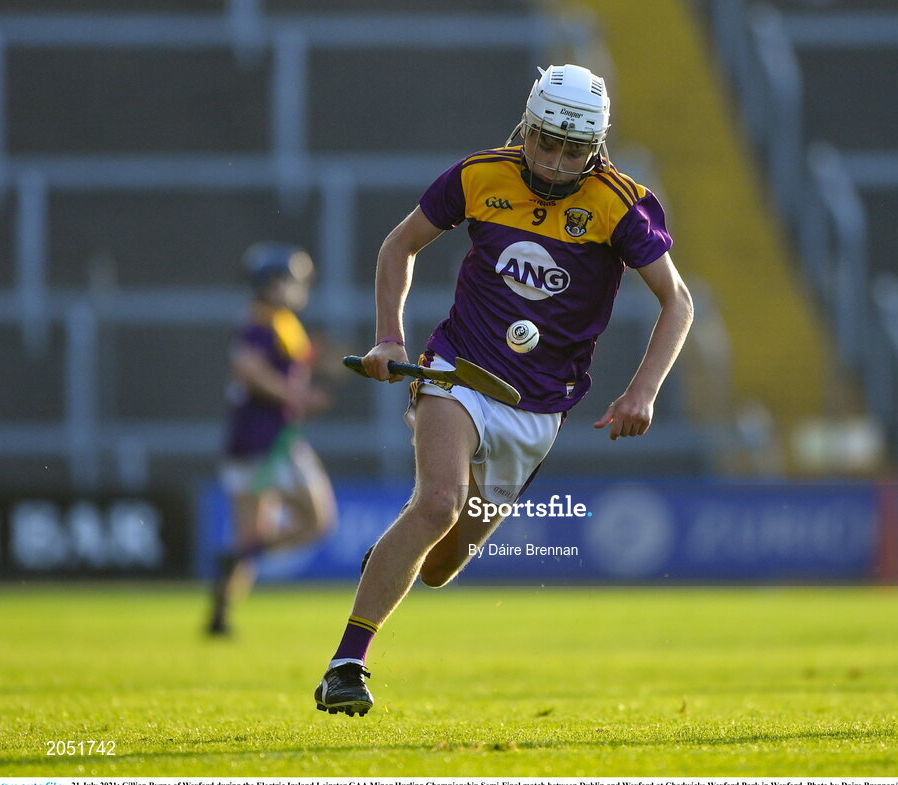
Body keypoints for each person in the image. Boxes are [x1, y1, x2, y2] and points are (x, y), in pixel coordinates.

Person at [313, 64, 694, 715]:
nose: (553, 160)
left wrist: (643, 392)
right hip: (455, 370)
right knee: (437, 502)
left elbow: (677, 300)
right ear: (528, 124)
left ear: (596, 147)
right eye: (546, 140)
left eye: (573, 149)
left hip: (539, 407)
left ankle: (394, 554)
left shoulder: (619, 204)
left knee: (439, 564)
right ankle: (347, 664)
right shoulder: (479, 175)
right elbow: (399, 246)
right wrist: (389, 339)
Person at [208, 242, 338, 636]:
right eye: (293, 280)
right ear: (274, 281)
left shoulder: (277, 322)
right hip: (272, 443)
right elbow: (248, 368)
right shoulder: (261, 321)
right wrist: (295, 395)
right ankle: (240, 561)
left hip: (250, 440)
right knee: (316, 520)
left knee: (249, 535)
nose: (300, 288)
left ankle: (220, 614)